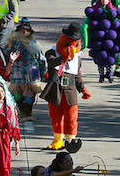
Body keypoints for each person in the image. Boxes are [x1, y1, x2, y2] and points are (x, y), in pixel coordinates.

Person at [40, 23, 91, 152]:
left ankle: (70, 140)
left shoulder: (77, 59)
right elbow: (51, 62)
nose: (72, 48)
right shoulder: (52, 52)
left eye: (75, 45)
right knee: (56, 117)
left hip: (70, 91)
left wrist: (83, 89)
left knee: (72, 117)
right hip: (56, 90)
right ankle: (58, 139)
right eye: (69, 44)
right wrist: (63, 58)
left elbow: (77, 76)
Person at [5, 19, 43, 121]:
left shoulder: (33, 41)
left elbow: (40, 56)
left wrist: (43, 71)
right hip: (18, 69)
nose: (24, 32)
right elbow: (6, 52)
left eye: (26, 30)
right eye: (22, 30)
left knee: (31, 92)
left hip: (32, 69)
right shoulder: (13, 41)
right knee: (17, 93)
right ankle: (21, 111)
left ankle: (28, 113)